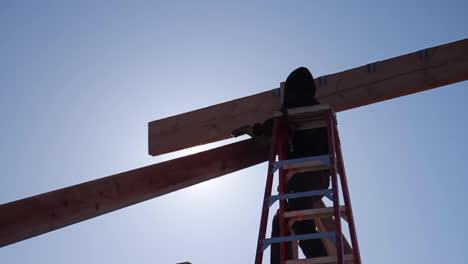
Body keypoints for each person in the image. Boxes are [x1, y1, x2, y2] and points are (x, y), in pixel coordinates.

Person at [252, 67, 330, 263]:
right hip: (317, 180)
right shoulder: (312, 109)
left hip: (304, 178)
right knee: (282, 219)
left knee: (300, 222)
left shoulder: (296, 110)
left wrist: (256, 129)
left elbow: (274, 126)